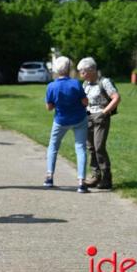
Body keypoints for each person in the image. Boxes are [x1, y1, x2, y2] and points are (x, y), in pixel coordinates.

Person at [43, 56, 89, 193]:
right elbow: (85, 102)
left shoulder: (51, 86)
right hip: (79, 119)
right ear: (69, 69)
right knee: (80, 148)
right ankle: (81, 181)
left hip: (61, 120)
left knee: (53, 147)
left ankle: (49, 177)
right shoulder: (76, 84)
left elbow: (49, 107)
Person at [77, 57, 120, 189]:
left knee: (99, 146)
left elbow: (116, 98)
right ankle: (95, 176)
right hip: (88, 117)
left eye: (82, 71)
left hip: (101, 117)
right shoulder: (85, 84)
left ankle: (107, 178)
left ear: (91, 70)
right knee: (91, 147)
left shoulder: (104, 82)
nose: (81, 74)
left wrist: (105, 112)